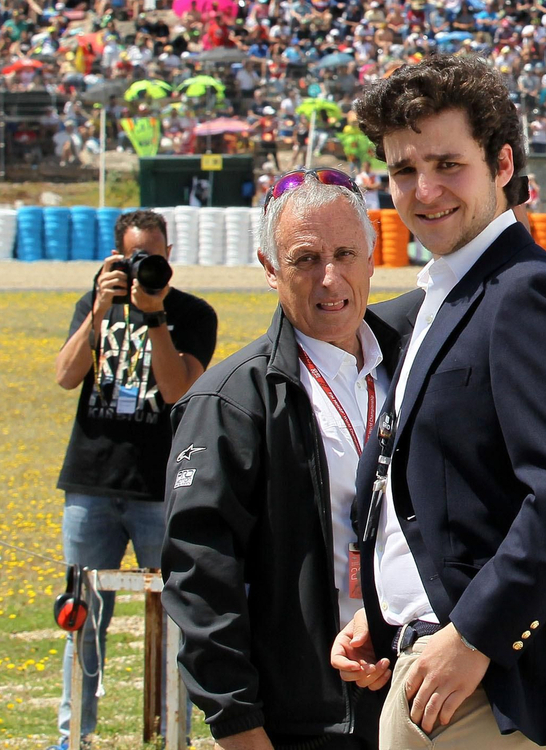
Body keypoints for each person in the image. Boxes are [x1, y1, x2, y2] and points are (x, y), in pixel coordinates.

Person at [334, 55, 546, 750]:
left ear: (502, 164)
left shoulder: (528, 292)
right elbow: (450, 491)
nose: (424, 189)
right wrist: (386, 615)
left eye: (447, 164)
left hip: (505, 694)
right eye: (404, 170)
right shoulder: (450, 291)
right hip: (438, 671)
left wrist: (475, 635)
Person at [162, 169, 414, 750]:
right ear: (269, 267)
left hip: (426, 693)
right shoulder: (230, 401)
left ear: (373, 254)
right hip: (306, 719)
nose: (331, 277)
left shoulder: (418, 368)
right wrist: (238, 726)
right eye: (305, 259)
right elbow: (200, 579)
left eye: (346, 252)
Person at [50, 210, 218, 750]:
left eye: (156, 256)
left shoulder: (193, 313)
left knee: (175, 618)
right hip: (92, 484)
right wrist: (100, 309)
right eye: (136, 257)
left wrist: (154, 318)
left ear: (170, 253)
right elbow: (65, 374)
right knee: (82, 619)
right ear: (118, 258)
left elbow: (177, 393)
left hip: (158, 489)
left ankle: (176, 731)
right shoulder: (95, 306)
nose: (147, 266)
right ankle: (75, 732)